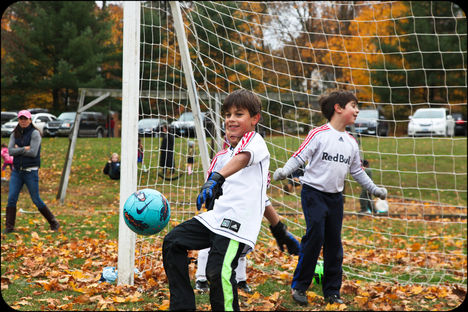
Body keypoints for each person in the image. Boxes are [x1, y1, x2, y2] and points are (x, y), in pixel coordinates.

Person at [273, 90, 388, 306]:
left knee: (334, 244)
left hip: (336, 199)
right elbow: (299, 157)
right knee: (315, 236)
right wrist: (284, 171)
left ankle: (332, 291)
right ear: (338, 108)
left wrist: (374, 189)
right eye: (353, 105)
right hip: (313, 193)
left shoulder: (351, 142)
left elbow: (358, 172)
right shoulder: (318, 134)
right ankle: (299, 286)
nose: (357, 110)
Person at [163, 89, 270, 311]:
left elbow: (243, 159)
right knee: (173, 242)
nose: (231, 119)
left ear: (254, 119)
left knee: (217, 271)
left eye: (239, 114)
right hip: (217, 218)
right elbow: (228, 169)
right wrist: (211, 188)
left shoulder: (255, 140)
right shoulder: (224, 155)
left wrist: (216, 178)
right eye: (228, 114)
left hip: (237, 223)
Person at [194, 131, 300, 294]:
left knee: (241, 246)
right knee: (212, 241)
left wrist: (279, 228)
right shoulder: (222, 157)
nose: (231, 133)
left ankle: (240, 280)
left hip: (244, 210)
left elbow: (260, 196)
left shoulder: (259, 164)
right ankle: (201, 278)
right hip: (221, 205)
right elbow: (211, 180)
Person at [4, 110, 60, 234]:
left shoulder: (35, 134)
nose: (23, 121)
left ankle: (53, 222)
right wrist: (25, 148)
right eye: (21, 119)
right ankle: (9, 227)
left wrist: (19, 149)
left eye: (25, 119)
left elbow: (33, 152)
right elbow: (10, 151)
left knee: (36, 199)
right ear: (18, 120)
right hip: (17, 172)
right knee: (11, 198)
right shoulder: (14, 134)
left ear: (30, 120)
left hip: (31, 171)